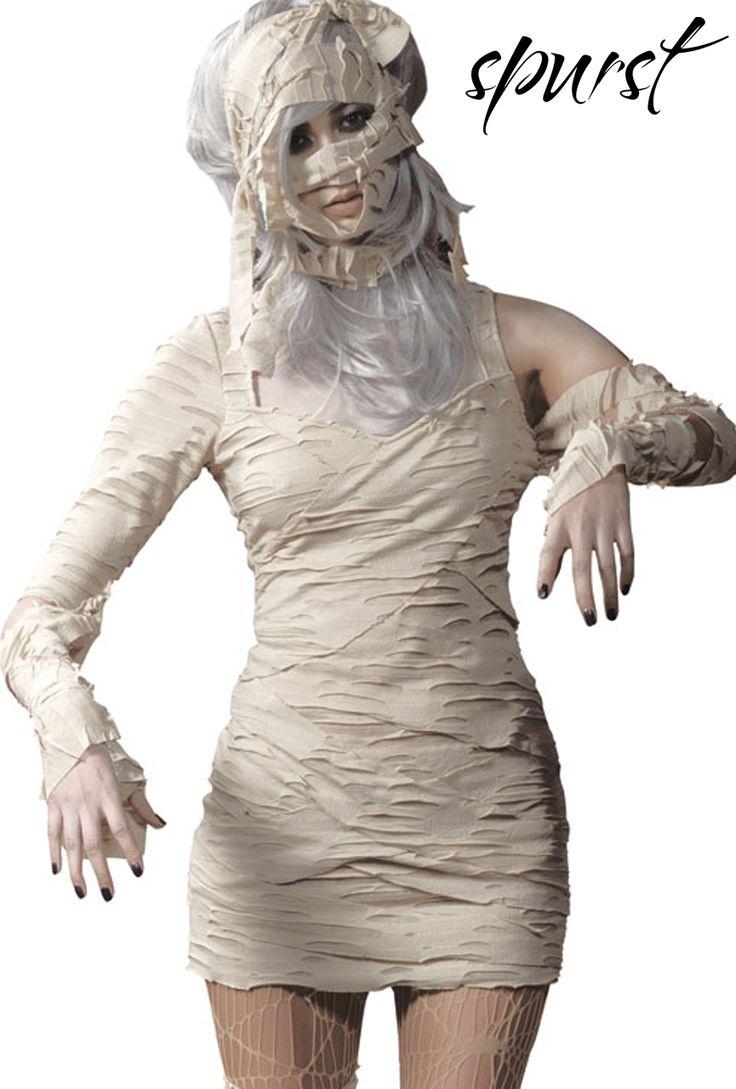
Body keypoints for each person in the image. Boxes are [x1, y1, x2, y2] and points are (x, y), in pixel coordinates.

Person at [1, 2, 735, 1087]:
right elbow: (40, 614)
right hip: (283, 835)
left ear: (399, 110)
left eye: (353, 117)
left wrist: (606, 445)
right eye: (296, 137)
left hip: (481, 830)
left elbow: (708, 436)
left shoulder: (512, 335)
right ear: (249, 164)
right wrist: (72, 739)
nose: (338, 162)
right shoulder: (212, 362)